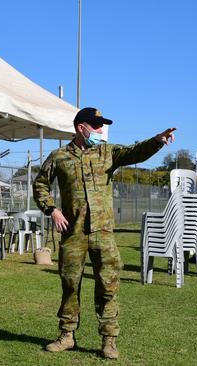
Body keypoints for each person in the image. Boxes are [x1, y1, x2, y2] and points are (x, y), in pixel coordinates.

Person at [33, 107, 176, 360]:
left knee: (108, 285)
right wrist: (52, 210)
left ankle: (109, 340)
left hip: (103, 233)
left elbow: (135, 152)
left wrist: (157, 141)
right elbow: (40, 184)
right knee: (70, 285)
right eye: (97, 126)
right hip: (73, 233)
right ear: (81, 127)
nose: (101, 131)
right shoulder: (59, 157)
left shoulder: (107, 153)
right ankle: (67, 336)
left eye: (102, 126)